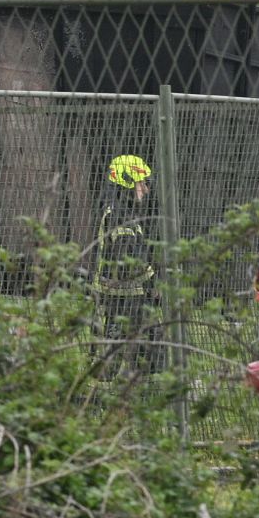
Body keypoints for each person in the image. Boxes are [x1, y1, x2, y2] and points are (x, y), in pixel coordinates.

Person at [91, 154, 160, 378]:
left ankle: (146, 385)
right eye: (142, 183)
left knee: (151, 344)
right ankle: (100, 389)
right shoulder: (119, 215)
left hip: (130, 294)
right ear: (127, 181)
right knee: (111, 352)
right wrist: (152, 279)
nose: (146, 190)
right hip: (118, 296)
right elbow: (128, 260)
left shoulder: (124, 212)